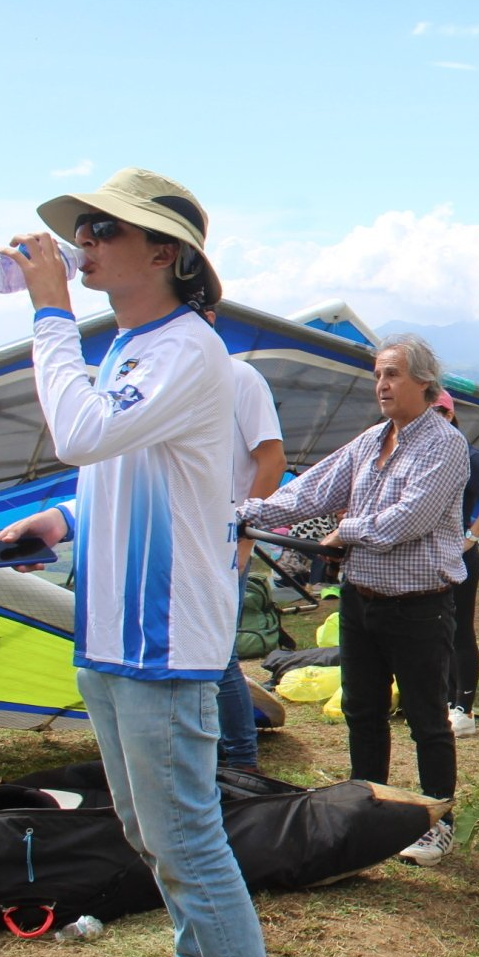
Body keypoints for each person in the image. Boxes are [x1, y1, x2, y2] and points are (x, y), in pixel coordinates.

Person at [0, 168, 291, 957]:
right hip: (114, 629)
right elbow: (116, 472)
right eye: (79, 230)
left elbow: (81, 433)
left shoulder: (190, 353)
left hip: (165, 637)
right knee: (147, 830)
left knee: (188, 836)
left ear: (164, 251)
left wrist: (47, 311)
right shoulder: (132, 347)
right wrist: (61, 523)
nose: (79, 244)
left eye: (99, 230)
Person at [238, 336, 469, 866]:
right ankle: (367, 807)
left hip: (418, 606)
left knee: (426, 717)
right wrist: (247, 513)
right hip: (362, 604)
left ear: (425, 383)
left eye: (392, 375)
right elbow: (312, 491)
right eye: (378, 376)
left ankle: (438, 820)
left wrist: (346, 533)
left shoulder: (444, 444)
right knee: (362, 710)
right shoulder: (372, 441)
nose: (381, 386)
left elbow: (410, 519)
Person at [211, 321, 287, 772]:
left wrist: (243, 534)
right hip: (185, 546)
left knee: (219, 659)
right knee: (197, 657)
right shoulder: (176, 386)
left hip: (224, 544)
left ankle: (242, 759)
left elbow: (272, 460)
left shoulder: (240, 379)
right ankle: (216, 749)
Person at [430, 391, 479, 737]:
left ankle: (465, 708)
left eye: (439, 411)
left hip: (459, 555)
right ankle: (446, 699)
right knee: (436, 630)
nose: (432, 417)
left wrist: (472, 537)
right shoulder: (421, 451)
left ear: (449, 415)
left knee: (460, 630)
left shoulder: (463, 451)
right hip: (430, 557)